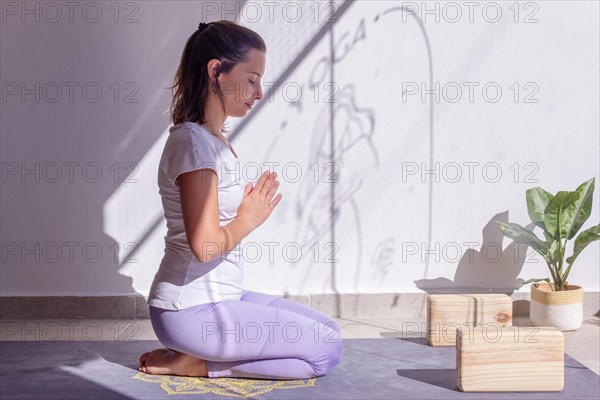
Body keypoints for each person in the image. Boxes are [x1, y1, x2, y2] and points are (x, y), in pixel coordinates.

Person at [138, 20, 343, 380]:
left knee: (329, 331)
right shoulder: (192, 144)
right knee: (324, 352)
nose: (259, 92)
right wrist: (247, 219)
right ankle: (198, 363)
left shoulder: (213, 142)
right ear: (216, 71)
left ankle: (197, 358)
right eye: (251, 79)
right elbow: (204, 246)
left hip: (221, 298)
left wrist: (247, 216)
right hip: (190, 311)